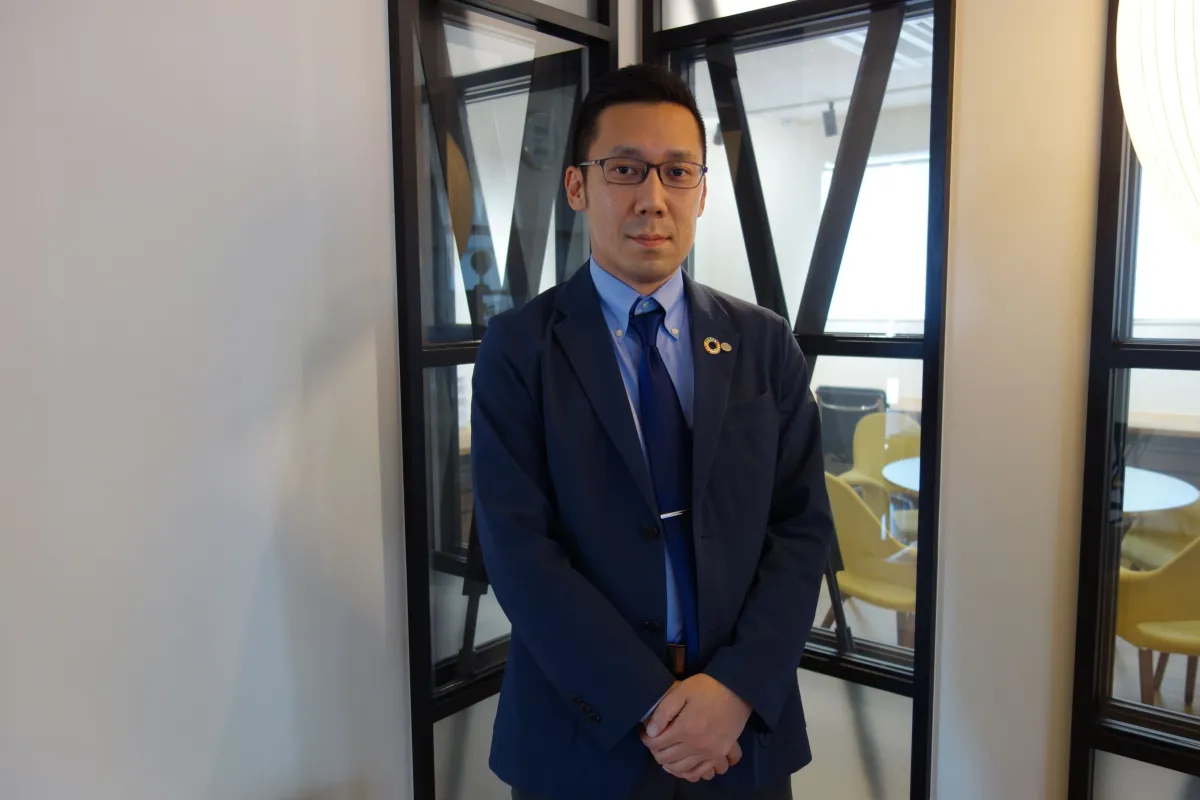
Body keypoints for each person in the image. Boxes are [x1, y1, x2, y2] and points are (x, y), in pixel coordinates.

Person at [471, 63, 834, 800]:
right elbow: (519, 553)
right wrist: (648, 702)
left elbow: (800, 531)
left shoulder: (763, 343)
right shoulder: (519, 348)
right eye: (625, 169)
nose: (653, 198)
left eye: (677, 171)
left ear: (701, 191)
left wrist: (734, 690)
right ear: (578, 187)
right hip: (582, 734)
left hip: (737, 737)